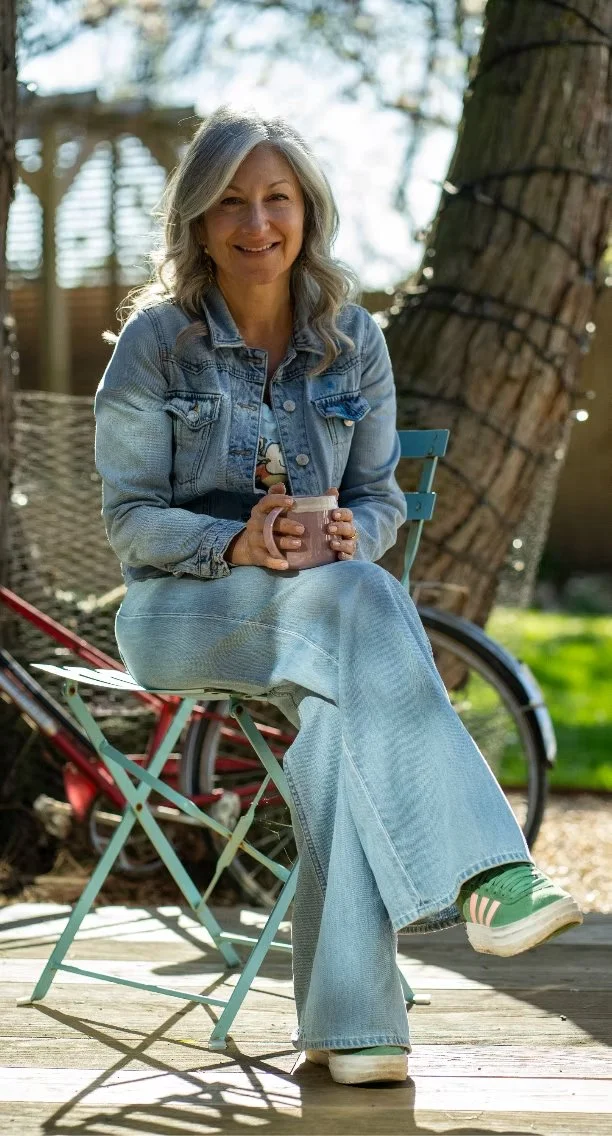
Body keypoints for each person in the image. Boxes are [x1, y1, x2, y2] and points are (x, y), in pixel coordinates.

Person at [94, 105, 582, 1086]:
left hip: (323, 620)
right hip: (180, 612)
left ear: (308, 213)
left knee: (335, 720)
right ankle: (490, 872)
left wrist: (361, 528)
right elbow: (131, 517)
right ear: (199, 221)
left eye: (277, 198)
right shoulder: (157, 343)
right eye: (231, 201)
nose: (257, 221)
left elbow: (378, 497)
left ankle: (355, 1028)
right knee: (359, 602)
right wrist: (236, 538)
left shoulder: (351, 338)